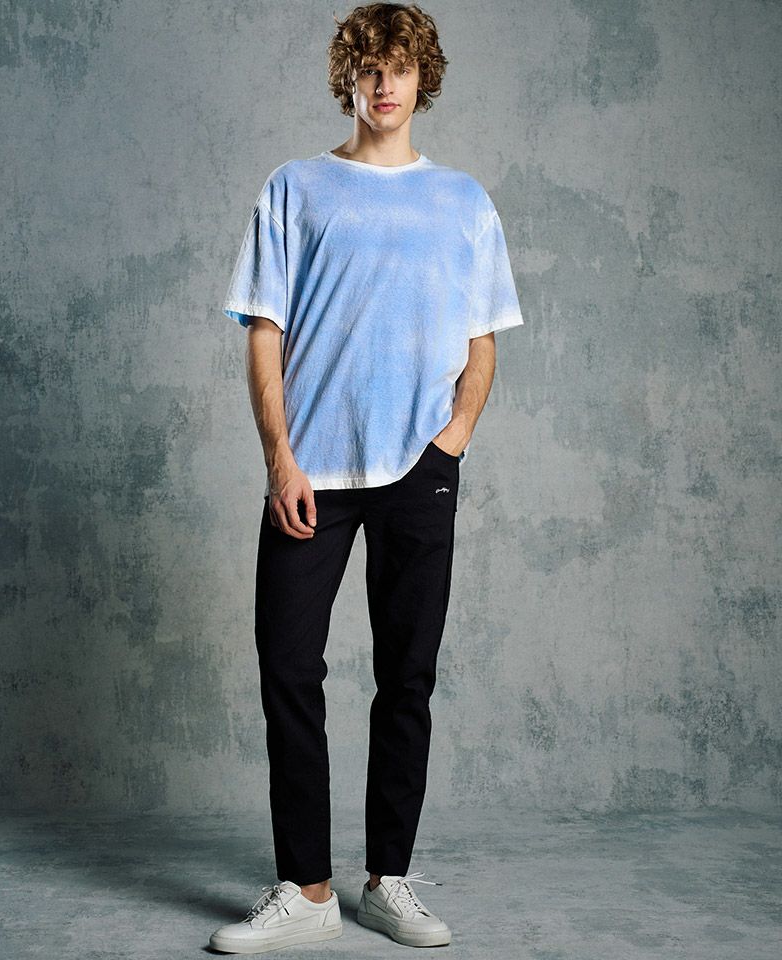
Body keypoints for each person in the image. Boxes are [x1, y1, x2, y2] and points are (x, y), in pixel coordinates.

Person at [209, 2, 524, 954]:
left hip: (420, 469)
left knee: (407, 677)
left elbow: (482, 339)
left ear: (424, 79)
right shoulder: (296, 187)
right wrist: (280, 458)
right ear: (348, 78)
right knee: (287, 668)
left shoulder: (463, 201)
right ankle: (306, 891)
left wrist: (452, 440)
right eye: (369, 68)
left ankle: (389, 880)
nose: (385, 85)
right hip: (311, 470)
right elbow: (264, 332)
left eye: (401, 68)